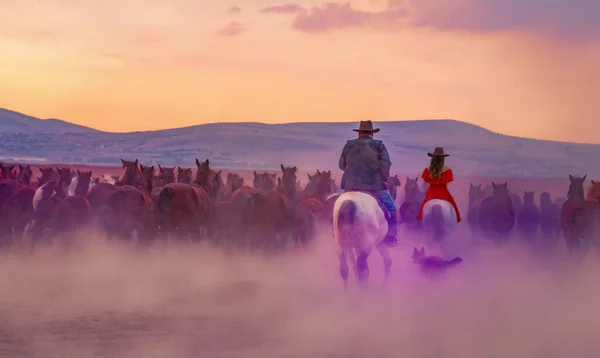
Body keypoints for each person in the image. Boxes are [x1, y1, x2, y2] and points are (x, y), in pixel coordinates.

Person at [338, 120, 398, 247]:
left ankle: (336, 233)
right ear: (372, 133)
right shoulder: (379, 145)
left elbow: (341, 165)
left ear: (359, 133)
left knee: (338, 207)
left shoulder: (349, 145)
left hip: (350, 186)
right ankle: (390, 237)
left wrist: (353, 173)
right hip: (374, 186)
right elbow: (385, 164)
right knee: (391, 209)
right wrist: (383, 178)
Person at [417, 147, 461, 222]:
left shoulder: (427, 170)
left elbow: (427, 182)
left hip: (431, 192)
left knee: (424, 205)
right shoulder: (447, 170)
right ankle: (456, 219)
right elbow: (447, 184)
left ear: (433, 158)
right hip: (443, 191)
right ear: (443, 159)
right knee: (452, 205)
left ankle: (421, 218)